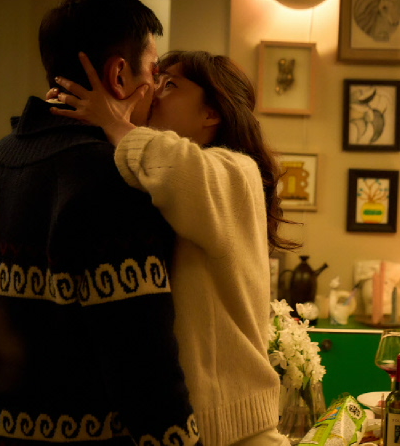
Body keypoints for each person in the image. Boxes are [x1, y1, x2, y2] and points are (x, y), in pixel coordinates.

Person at [0, 0, 200, 445]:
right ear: (119, 74)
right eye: (154, 71)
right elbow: (143, 367)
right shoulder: (113, 182)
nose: (156, 88)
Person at [49, 50, 298, 445]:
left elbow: (178, 168)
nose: (153, 91)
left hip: (233, 429)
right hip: (205, 423)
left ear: (211, 113)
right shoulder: (156, 174)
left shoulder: (237, 171)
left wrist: (113, 121)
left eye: (170, 85)